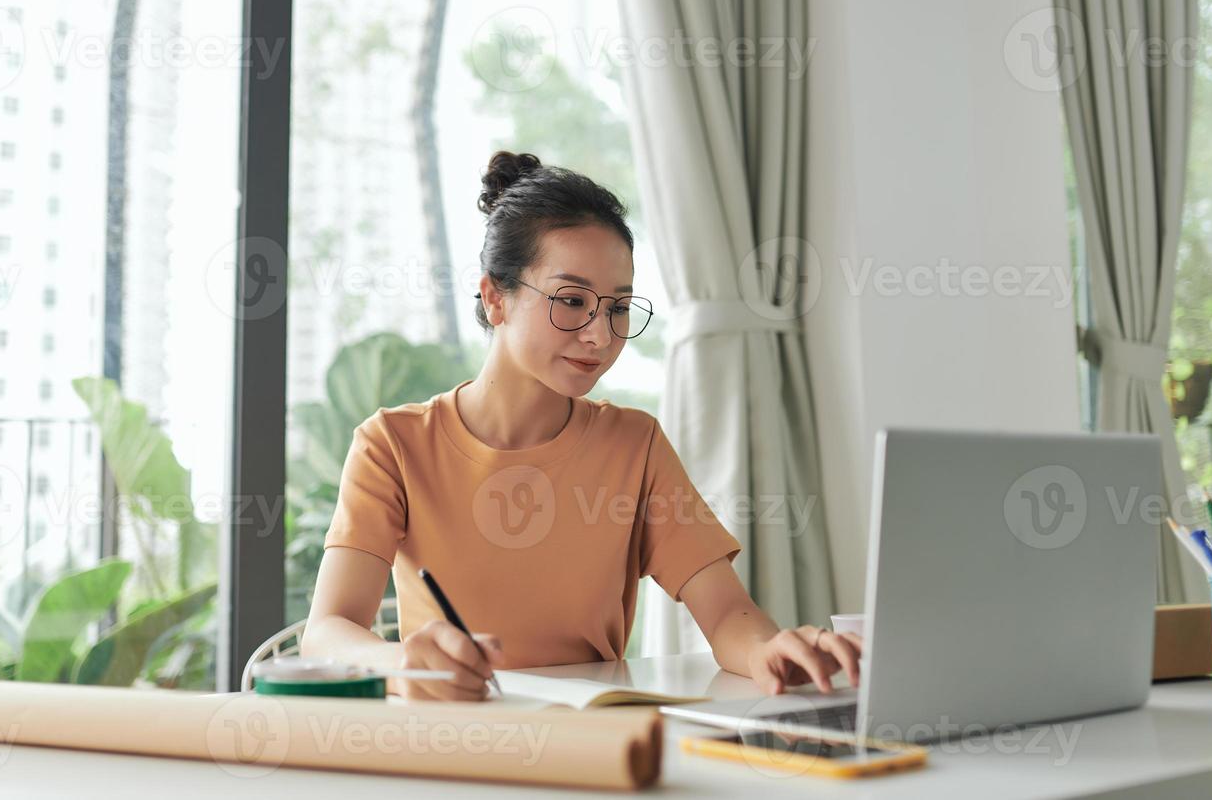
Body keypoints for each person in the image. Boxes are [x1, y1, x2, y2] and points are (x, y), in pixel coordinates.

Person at [302, 150, 861, 701]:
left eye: (618, 308)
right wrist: (403, 664)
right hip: (454, 740)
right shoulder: (394, 445)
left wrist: (768, 648)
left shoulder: (633, 445)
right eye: (571, 300)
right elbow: (326, 633)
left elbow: (725, 612)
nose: (600, 335)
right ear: (495, 298)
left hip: (596, 742)